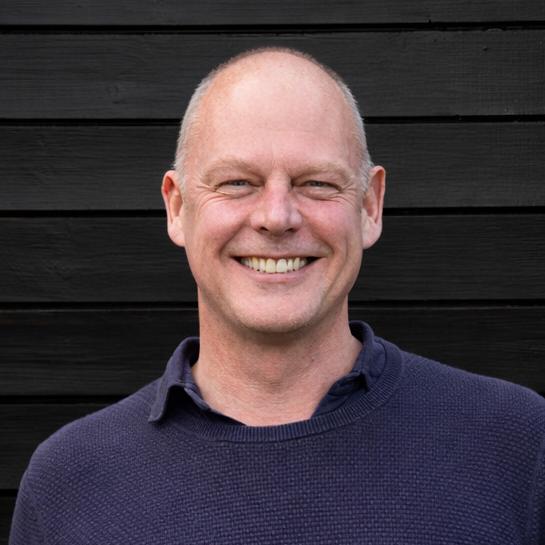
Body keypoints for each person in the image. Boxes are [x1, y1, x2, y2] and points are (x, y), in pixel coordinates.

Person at [9, 47, 545, 544]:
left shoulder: (517, 443)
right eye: (237, 183)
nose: (276, 217)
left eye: (317, 183)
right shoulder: (69, 481)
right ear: (177, 208)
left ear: (370, 206)